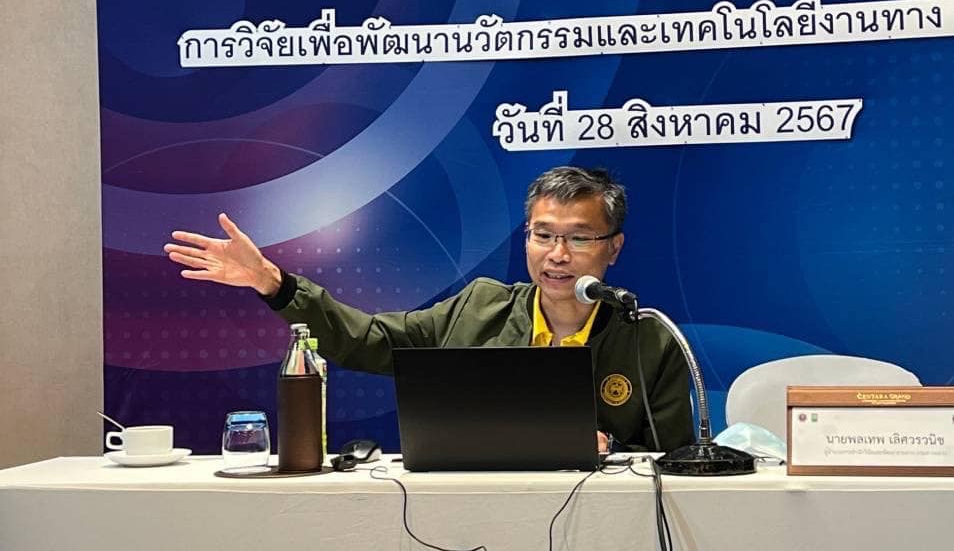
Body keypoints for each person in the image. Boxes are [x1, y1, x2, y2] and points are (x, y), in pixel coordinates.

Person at [164, 166, 694, 453]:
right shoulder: (479, 307)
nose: (557, 255)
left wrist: (611, 447)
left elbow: (677, 464)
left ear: (613, 248)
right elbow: (365, 339)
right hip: (471, 519)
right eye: (543, 235)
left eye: (578, 238)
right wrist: (274, 283)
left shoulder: (649, 339)